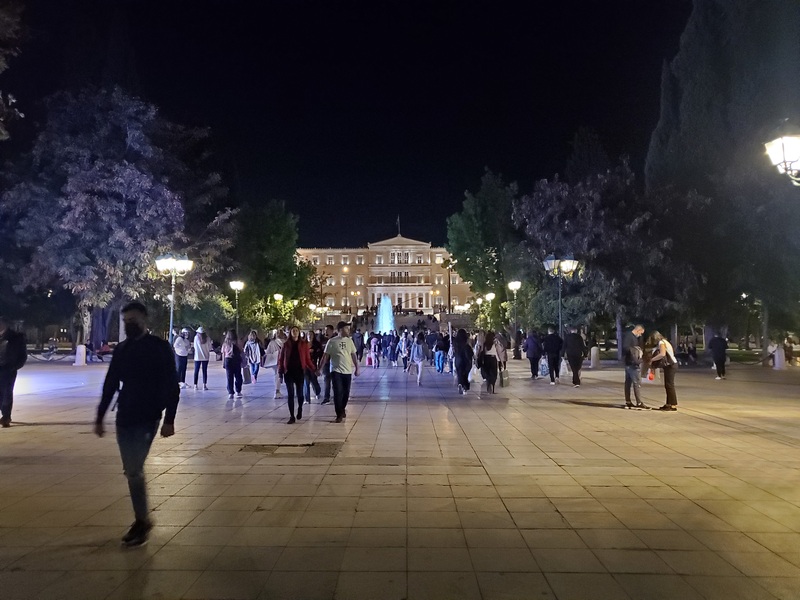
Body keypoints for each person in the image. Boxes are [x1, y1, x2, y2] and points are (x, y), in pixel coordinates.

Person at [94, 302, 179, 547]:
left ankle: (142, 521)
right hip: (125, 415)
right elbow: (110, 384)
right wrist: (100, 417)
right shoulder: (122, 350)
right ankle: (141, 520)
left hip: (148, 417)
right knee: (131, 470)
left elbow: (172, 386)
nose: (129, 324)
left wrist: (169, 420)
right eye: (126, 320)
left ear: (144, 319)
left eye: (133, 319)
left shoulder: (159, 348)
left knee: (133, 469)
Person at [319, 321, 359, 422]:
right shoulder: (332, 341)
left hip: (347, 371)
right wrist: (320, 368)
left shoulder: (349, 341)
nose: (348, 330)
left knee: (346, 393)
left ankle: (342, 408)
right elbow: (325, 356)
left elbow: (353, 355)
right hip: (336, 370)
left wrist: (357, 368)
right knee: (337, 392)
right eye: (346, 329)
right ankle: (339, 414)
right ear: (340, 330)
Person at [278, 326, 314, 424]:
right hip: (288, 372)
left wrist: (314, 368)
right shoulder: (286, 345)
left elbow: (307, 359)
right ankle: (291, 416)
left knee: (300, 394)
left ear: (299, 332)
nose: (295, 332)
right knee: (290, 394)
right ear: (290, 333)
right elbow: (281, 359)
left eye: (296, 331)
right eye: (293, 331)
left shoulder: (303, 344)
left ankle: (300, 408)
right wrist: (280, 371)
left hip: (299, 371)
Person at [0, 316, 27, 428]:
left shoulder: (16, 337)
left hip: (8, 369)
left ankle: (6, 416)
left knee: (7, 392)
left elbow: (22, 355)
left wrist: (14, 367)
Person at [650, 331, 679, 411]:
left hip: (670, 365)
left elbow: (662, 354)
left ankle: (673, 405)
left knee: (669, 385)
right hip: (671, 364)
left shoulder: (661, 343)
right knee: (668, 385)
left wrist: (652, 359)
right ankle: (668, 403)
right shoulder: (666, 342)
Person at [622, 324, 648, 409]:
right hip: (632, 363)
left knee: (628, 382)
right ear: (638, 330)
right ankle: (639, 402)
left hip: (629, 362)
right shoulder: (629, 336)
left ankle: (628, 401)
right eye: (641, 333)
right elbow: (626, 347)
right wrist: (635, 352)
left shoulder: (630, 336)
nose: (640, 335)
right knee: (636, 382)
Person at [262, 330, 285, 399]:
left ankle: (277, 390)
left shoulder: (272, 343)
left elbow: (268, 352)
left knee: (277, 375)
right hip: (285, 361)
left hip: (276, 361)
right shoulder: (286, 342)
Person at [221, 330, 243, 400]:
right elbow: (241, 350)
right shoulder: (238, 342)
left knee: (229, 377)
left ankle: (231, 392)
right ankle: (238, 390)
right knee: (238, 376)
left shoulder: (225, 343)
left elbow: (223, 353)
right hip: (236, 360)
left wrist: (223, 363)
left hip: (228, 360)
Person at [452, 328, 474, 395]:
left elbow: (453, 351)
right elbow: (470, 351)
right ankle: (465, 387)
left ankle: (460, 383)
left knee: (459, 373)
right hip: (466, 360)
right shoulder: (467, 342)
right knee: (465, 374)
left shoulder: (455, 342)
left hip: (458, 359)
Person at [320, 324, 336, 404]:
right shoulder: (322, 339)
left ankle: (336, 396)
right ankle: (326, 397)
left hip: (334, 363)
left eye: (327, 330)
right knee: (326, 380)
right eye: (325, 330)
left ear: (332, 331)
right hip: (326, 363)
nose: (326, 332)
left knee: (335, 381)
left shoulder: (336, 340)